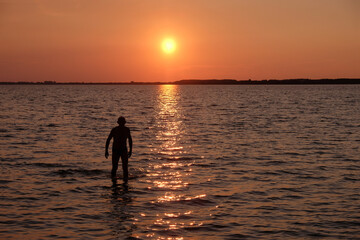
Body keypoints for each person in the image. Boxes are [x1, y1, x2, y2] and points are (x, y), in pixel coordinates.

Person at [105, 116, 132, 182]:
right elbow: (108, 140)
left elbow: (130, 140)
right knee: (115, 167)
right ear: (118, 123)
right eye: (121, 122)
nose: (122, 124)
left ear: (124, 123)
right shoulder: (114, 130)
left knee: (125, 167)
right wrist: (106, 151)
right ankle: (114, 181)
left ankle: (125, 182)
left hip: (123, 150)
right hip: (116, 150)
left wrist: (130, 150)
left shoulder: (127, 130)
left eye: (123, 122)